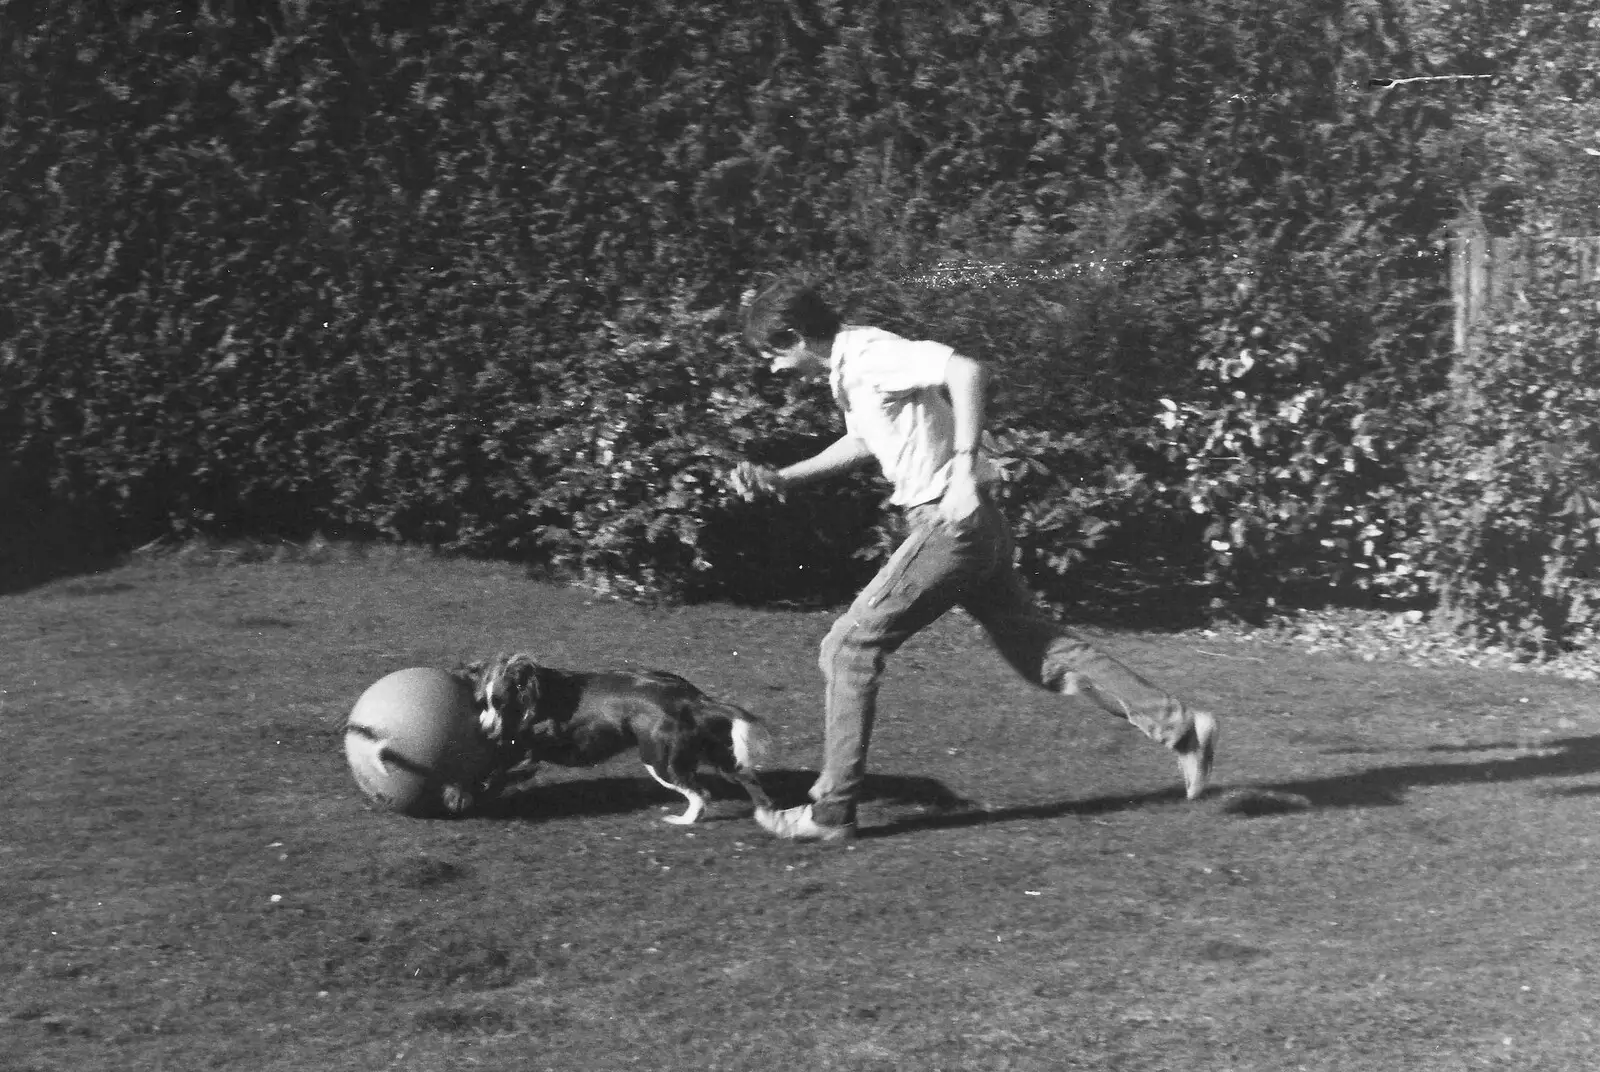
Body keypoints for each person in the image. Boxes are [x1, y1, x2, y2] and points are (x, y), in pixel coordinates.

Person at [727, 278, 1219, 841]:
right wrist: (781, 478)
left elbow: (967, 370)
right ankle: (1181, 728)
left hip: (951, 519)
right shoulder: (852, 369)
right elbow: (865, 441)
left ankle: (830, 810)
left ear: (794, 336)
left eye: (772, 354)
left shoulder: (867, 355)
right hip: (971, 522)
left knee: (848, 647)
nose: (773, 369)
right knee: (1041, 651)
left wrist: (962, 469)